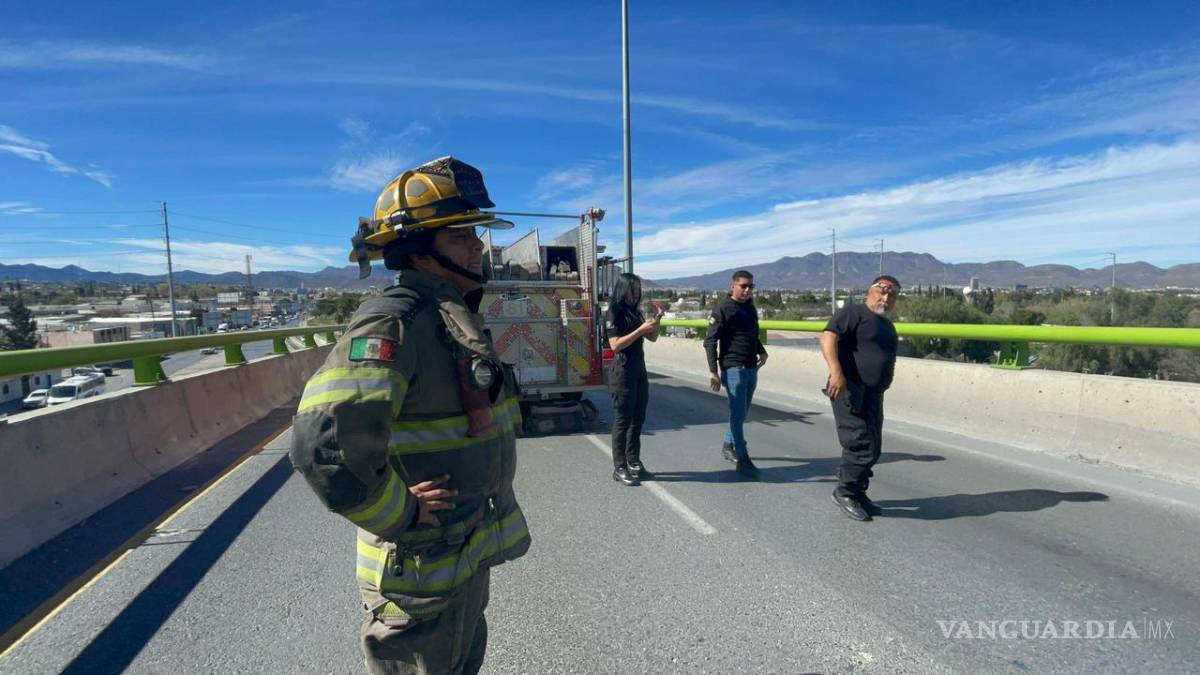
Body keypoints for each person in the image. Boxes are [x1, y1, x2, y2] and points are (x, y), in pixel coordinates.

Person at [289, 157, 530, 674]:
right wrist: (397, 512)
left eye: (475, 234)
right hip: (416, 570)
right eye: (462, 236)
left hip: (453, 559)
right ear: (422, 250)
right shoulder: (398, 320)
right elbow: (322, 442)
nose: (478, 247)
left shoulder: (449, 316)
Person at [820, 274, 901, 522]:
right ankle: (844, 492)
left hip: (873, 394)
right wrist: (836, 372)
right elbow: (827, 337)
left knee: (874, 447)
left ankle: (858, 492)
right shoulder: (853, 313)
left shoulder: (887, 325)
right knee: (859, 444)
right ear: (870, 290)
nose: (886, 297)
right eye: (882, 291)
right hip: (849, 389)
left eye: (892, 294)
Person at [704, 270, 768, 479]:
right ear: (733, 286)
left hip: (751, 368)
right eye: (743, 286)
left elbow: (750, 334)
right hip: (733, 369)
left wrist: (761, 350)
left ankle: (727, 444)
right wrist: (713, 371)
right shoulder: (723, 308)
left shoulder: (750, 307)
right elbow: (710, 341)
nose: (747, 290)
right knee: (738, 413)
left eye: (751, 286)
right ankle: (743, 458)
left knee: (741, 413)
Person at [604, 273, 660, 486]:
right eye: (632, 289)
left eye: (638, 289)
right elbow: (615, 345)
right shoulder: (615, 312)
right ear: (622, 289)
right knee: (622, 421)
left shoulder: (634, 312)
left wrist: (656, 321)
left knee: (638, 420)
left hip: (639, 370)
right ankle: (619, 467)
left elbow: (652, 337)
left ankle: (634, 462)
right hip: (623, 371)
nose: (636, 293)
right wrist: (640, 330)